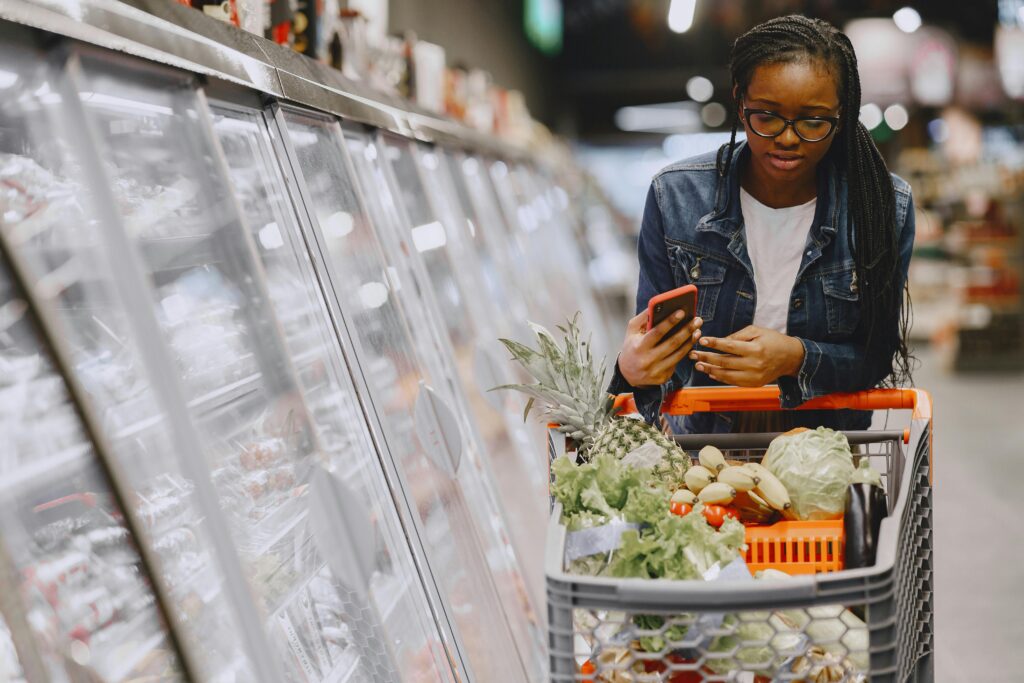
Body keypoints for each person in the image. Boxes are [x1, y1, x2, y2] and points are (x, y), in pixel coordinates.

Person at [609, 15, 915, 434]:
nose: (787, 139)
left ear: (842, 116)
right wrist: (634, 367)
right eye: (767, 116)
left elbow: (875, 355)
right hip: (703, 460)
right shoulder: (676, 197)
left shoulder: (881, 207)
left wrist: (794, 357)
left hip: (826, 455)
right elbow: (659, 351)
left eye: (812, 121)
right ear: (740, 102)